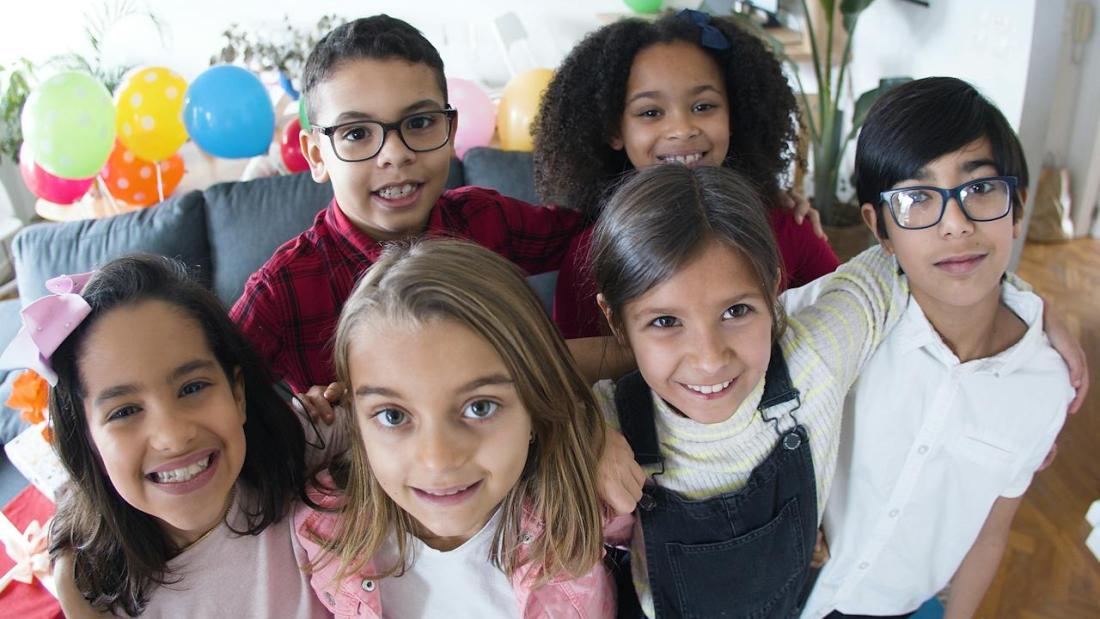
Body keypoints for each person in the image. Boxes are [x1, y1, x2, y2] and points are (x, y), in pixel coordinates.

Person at [797, 77, 1074, 619]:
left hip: (898, 608)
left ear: (1017, 208)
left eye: (980, 189)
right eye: (916, 198)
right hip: (785, 588)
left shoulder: (1046, 387)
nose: (955, 224)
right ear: (881, 230)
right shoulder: (844, 317)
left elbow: (992, 533)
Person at [587, 163, 909, 618]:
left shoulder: (813, 360)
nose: (709, 358)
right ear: (616, 320)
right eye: (665, 322)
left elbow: (899, 259)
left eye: (737, 311)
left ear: (775, 289)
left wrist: (1023, 304)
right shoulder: (604, 420)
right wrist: (580, 433)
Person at [230, 15, 585, 398]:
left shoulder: (484, 220)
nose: (395, 155)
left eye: (418, 122)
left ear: (450, 132)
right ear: (317, 156)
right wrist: (295, 426)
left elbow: (597, 234)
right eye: (356, 133)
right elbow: (212, 390)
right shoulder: (282, 289)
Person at [294, 239, 621, 617]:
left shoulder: (590, 497)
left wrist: (590, 431)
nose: (438, 460)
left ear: (536, 404)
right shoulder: (319, 532)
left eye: (479, 408)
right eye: (393, 416)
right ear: (356, 419)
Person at [0, 256, 328, 617]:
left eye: (192, 387)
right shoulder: (94, 587)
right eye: (124, 411)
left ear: (237, 394)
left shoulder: (308, 450)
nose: (172, 436)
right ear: (88, 441)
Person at [533, 8, 840, 338]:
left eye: (703, 106)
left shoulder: (788, 228)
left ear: (735, 116)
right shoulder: (588, 256)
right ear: (614, 131)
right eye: (650, 112)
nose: (681, 129)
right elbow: (575, 372)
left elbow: (848, 320)